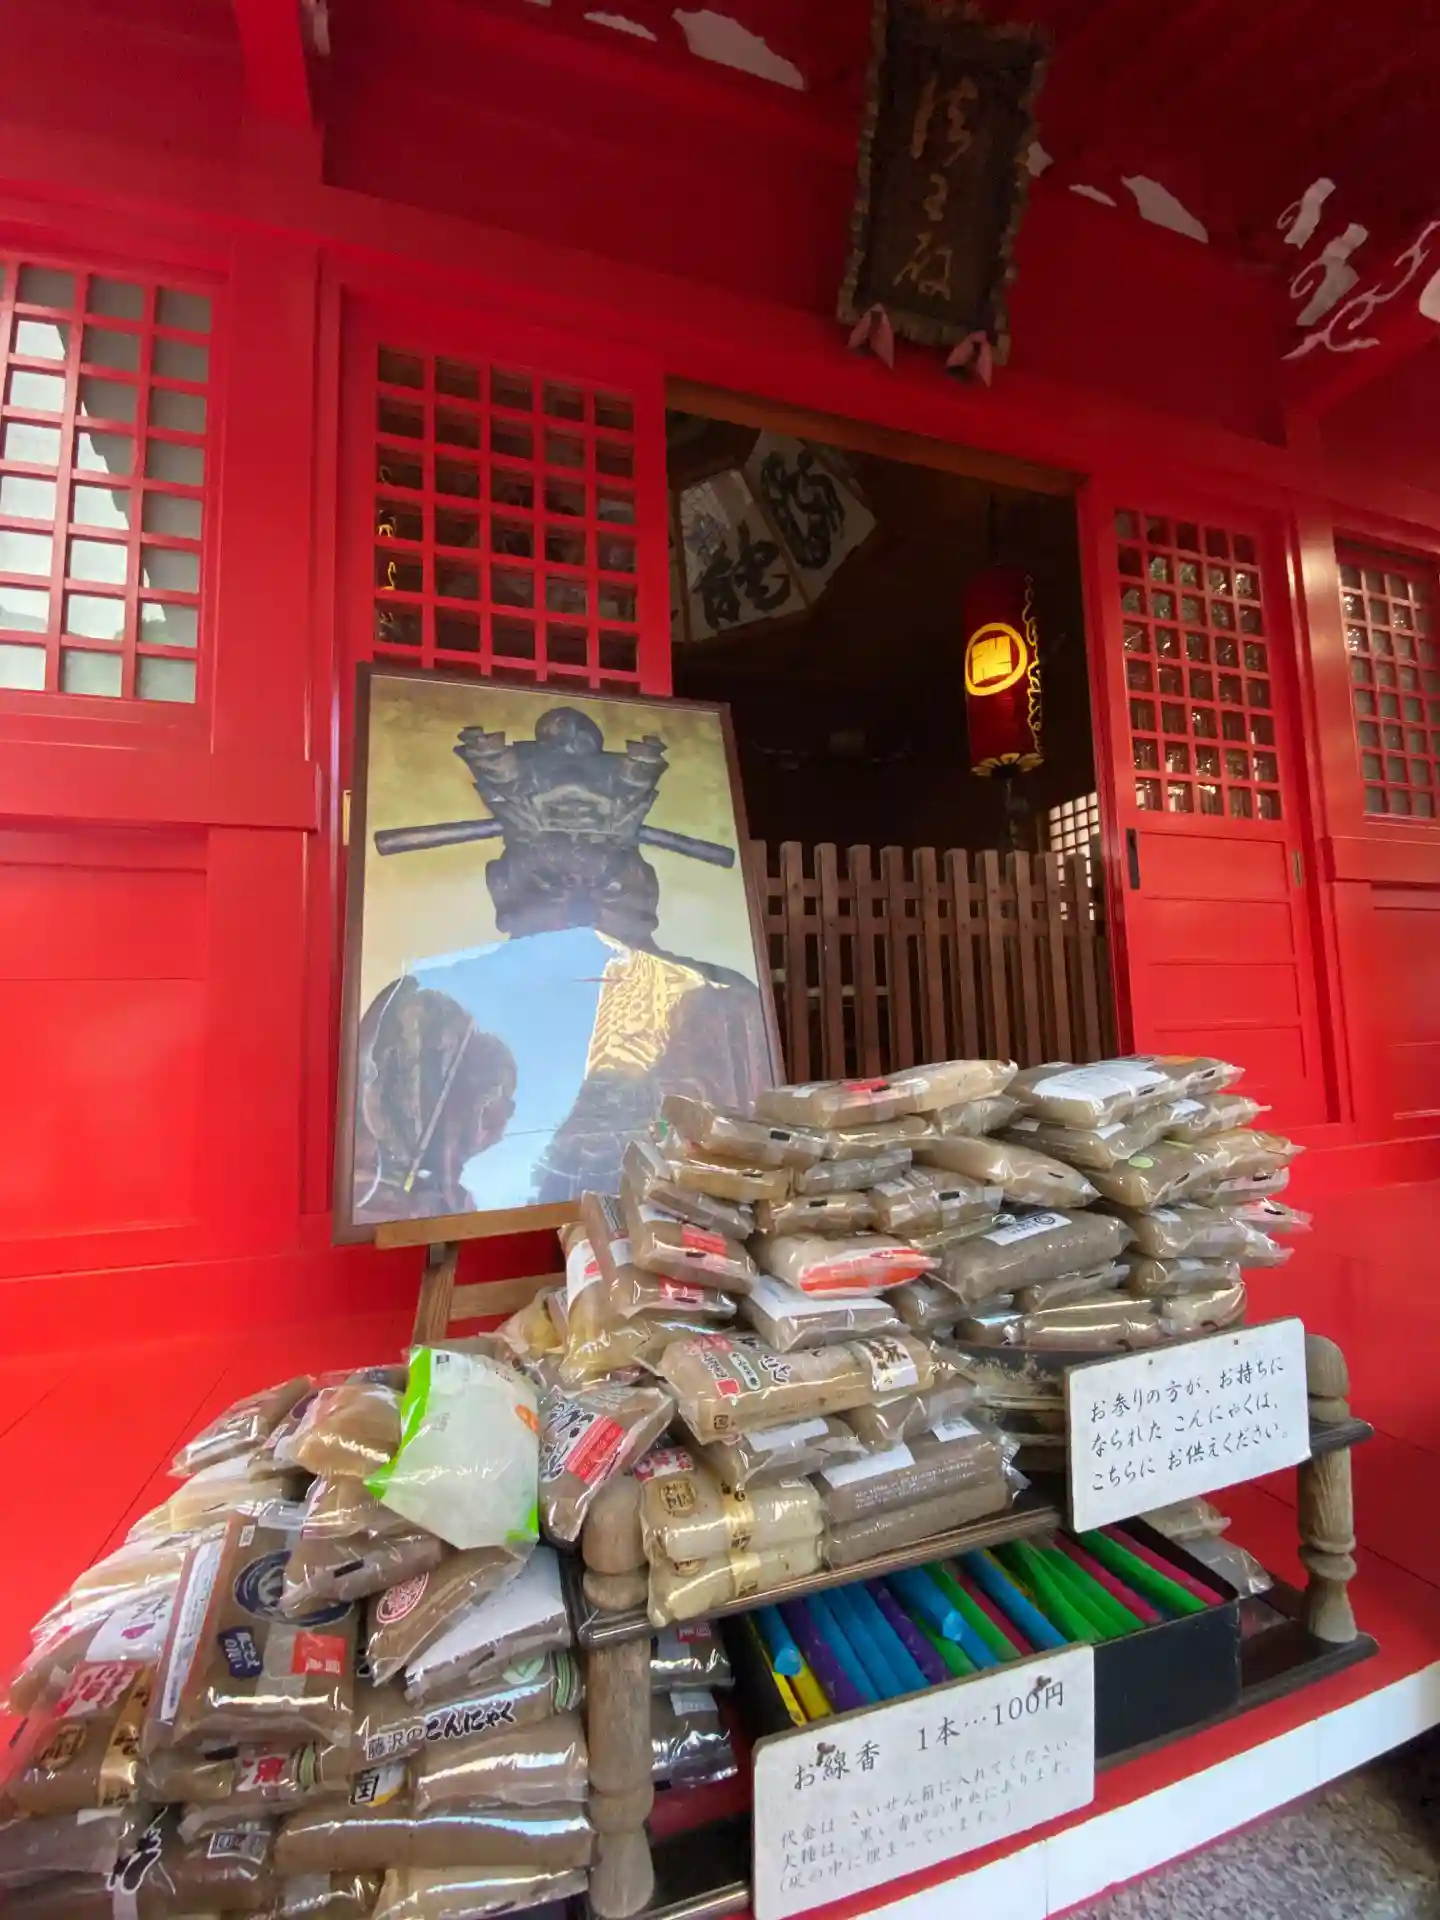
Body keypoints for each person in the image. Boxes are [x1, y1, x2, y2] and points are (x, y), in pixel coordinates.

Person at [351, 704, 769, 1224]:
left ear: (645, 887)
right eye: (552, 883)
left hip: (689, 1240)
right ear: (500, 884)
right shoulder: (425, 1008)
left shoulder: (719, 1002)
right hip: (499, 1232)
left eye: (606, 884)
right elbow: (377, 1187)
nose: (582, 913)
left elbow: (763, 1159)